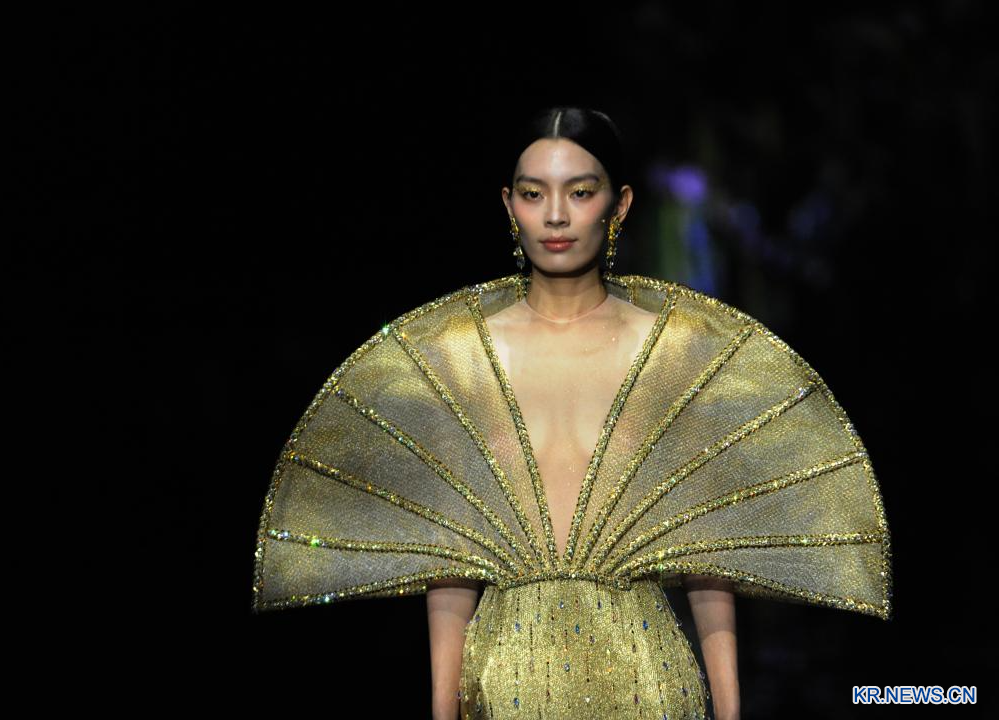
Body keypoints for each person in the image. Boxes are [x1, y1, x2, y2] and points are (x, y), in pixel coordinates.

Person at [250, 107, 892, 720]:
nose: (555, 214)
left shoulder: (671, 351)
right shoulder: (462, 356)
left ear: (621, 204)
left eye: (580, 192)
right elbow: (452, 556)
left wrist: (728, 704)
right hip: (500, 680)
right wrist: (443, 705)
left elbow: (706, 545)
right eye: (534, 194)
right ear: (509, 205)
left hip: (649, 682)